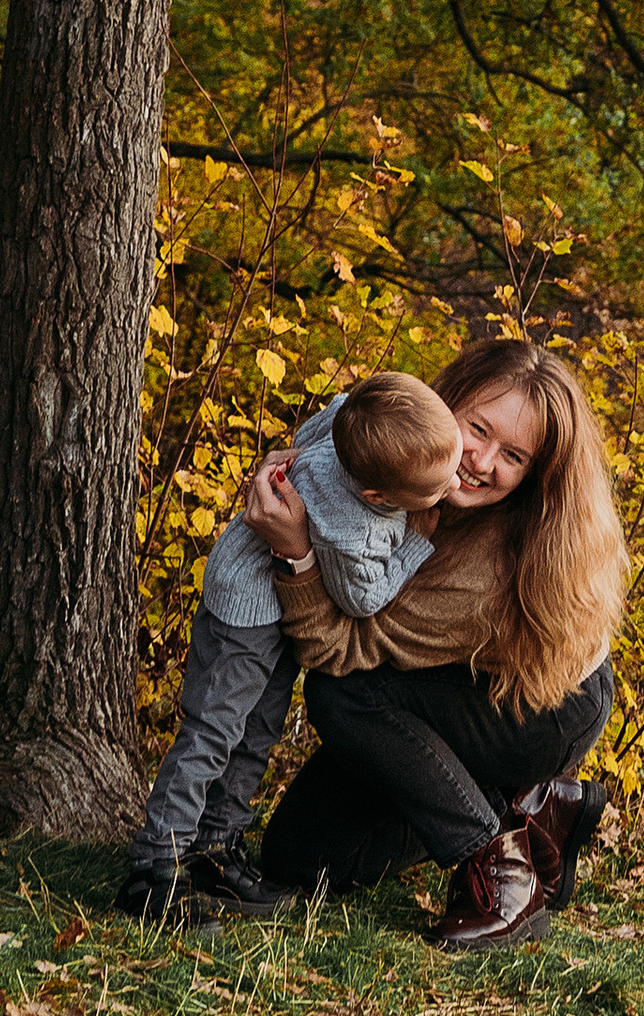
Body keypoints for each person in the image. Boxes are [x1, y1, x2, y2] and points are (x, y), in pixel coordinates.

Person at [245, 337, 627, 952]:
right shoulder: (412, 455)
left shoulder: (487, 570)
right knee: (300, 858)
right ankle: (537, 809)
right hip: (444, 684)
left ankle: (499, 868)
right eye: (477, 427)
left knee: (344, 698)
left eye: (514, 456)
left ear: (533, 475)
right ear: (444, 402)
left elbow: (343, 651)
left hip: (539, 708)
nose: (481, 461)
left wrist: (296, 554)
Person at [115, 367, 463, 925]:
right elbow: (362, 598)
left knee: (257, 733)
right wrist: (416, 541)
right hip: (244, 612)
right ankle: (155, 869)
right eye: (434, 487)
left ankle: (215, 848)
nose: (450, 487)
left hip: (278, 610)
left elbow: (335, 408)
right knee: (213, 733)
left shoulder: (355, 424)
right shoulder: (353, 526)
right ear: (377, 495)